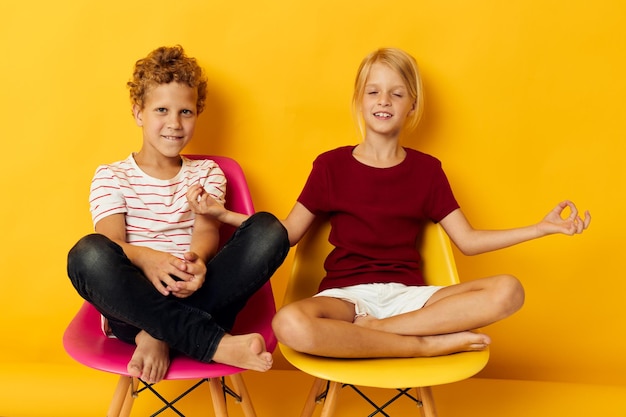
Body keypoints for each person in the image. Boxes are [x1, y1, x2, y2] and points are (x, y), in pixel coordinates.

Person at [186, 47, 591, 360]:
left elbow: (467, 240)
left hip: (410, 297)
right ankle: (421, 346)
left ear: (411, 105)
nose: (384, 100)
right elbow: (286, 234)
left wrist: (541, 228)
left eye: (397, 93)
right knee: (289, 323)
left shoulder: (428, 171)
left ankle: (384, 333)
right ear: (360, 101)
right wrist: (222, 214)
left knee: (509, 290)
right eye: (374, 91)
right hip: (346, 298)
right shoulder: (331, 166)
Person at [67, 45, 290, 384]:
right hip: (134, 306)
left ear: (197, 113)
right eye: (161, 110)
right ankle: (210, 342)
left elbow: (205, 232)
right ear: (138, 113)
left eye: (185, 112)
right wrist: (151, 260)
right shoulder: (112, 176)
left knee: (270, 229)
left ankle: (158, 335)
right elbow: (111, 242)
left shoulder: (207, 172)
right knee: (87, 254)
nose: (174, 123)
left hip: (200, 295)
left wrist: (198, 262)